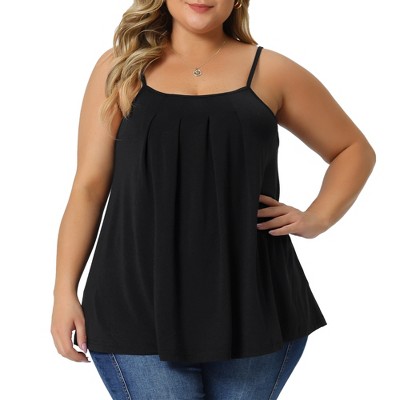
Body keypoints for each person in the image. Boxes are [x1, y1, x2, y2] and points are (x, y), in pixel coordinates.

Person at [50, 0, 376, 399]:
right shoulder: (120, 69)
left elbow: (353, 150)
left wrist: (318, 217)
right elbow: (88, 187)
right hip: (135, 307)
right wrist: (63, 291)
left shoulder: (272, 72)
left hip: (255, 309)